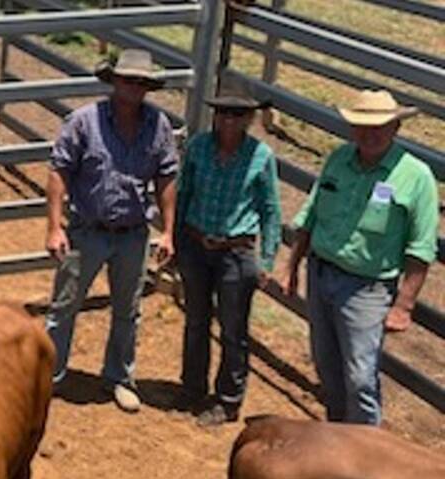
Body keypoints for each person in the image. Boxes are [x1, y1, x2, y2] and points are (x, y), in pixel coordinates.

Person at [284, 89, 439, 425]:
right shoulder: (338, 159)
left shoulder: (416, 177)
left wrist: (404, 305)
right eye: (362, 126)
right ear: (352, 129)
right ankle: (338, 439)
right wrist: (293, 266)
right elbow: (311, 215)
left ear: (395, 127)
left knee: (360, 378)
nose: (370, 134)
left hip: (367, 289)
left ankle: (365, 452)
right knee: (326, 365)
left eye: (379, 126)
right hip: (321, 272)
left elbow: (421, 248)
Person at [45, 49, 179, 413]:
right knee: (64, 306)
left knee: (128, 309)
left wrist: (167, 231)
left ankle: (119, 376)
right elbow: (59, 171)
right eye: (128, 79)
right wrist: (55, 227)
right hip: (87, 229)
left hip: (133, 232)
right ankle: (48, 376)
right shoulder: (83, 122)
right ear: (114, 81)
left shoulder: (159, 125)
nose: (134, 87)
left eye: (141, 82)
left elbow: (166, 177)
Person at [175, 80, 280, 427]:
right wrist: (175, 241)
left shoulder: (261, 156)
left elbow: (270, 210)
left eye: (238, 114)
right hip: (196, 243)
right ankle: (192, 387)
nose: (229, 121)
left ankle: (228, 399)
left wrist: (266, 259)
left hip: (236, 250)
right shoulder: (197, 147)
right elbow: (184, 194)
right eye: (223, 113)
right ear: (215, 115)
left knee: (234, 329)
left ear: (250, 118)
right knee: (195, 320)